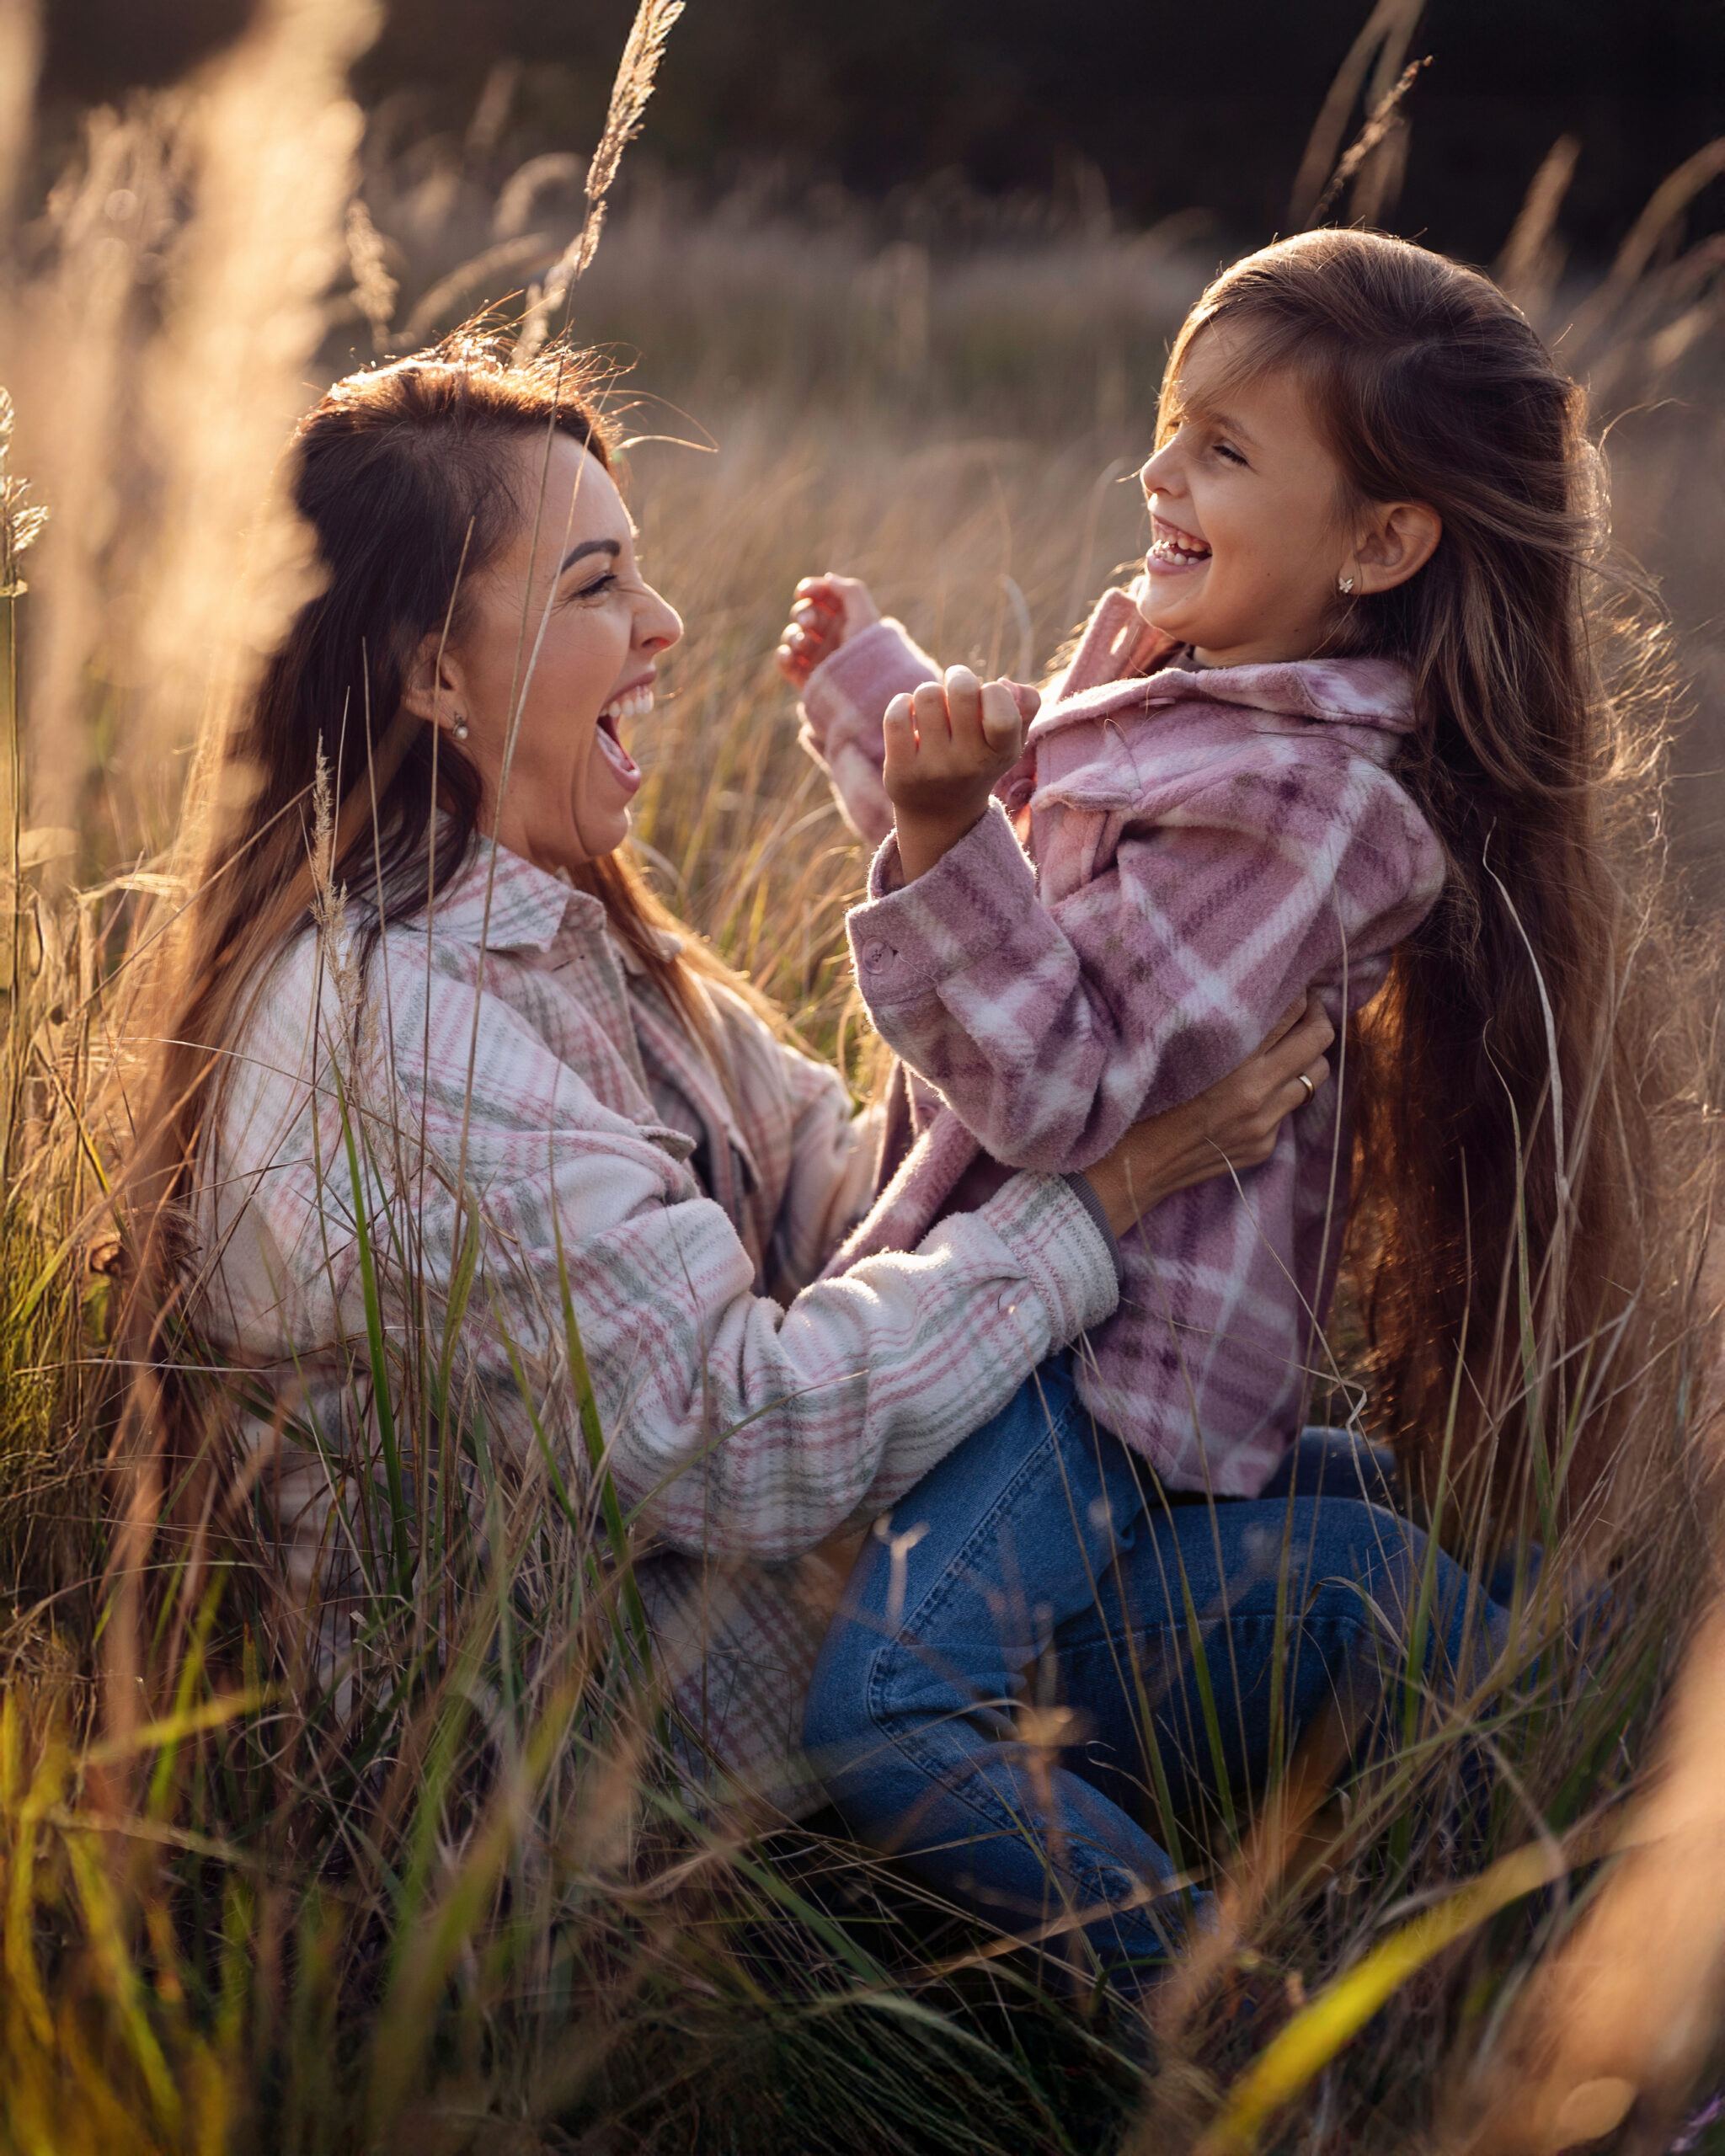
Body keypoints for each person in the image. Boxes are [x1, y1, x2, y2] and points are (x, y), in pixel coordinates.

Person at [124, 333, 1334, 1834]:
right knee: (1338, 1591)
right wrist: (1107, 1195)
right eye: (594, 588)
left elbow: (835, 1183)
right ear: (437, 674)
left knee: (1330, 1486)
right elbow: (735, 1439)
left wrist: (1077, 999)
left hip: (798, 1628)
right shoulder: (401, 1040)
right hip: (651, 1790)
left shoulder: (549, 927)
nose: (667, 622)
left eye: (639, 571)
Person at [792, 230, 1655, 1988]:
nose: (1157, 472)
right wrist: (892, 723)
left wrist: (949, 830)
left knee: (882, 1706)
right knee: (1308, 1552)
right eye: (1170, 425)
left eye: (1222, 450)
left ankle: (1228, 2036)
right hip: (1026, 1303)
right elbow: (1040, 923)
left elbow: (1066, 1090)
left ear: (1381, 541)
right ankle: (1546, 1780)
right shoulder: (1184, 685)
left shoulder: (1314, 804)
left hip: (1092, 1358)